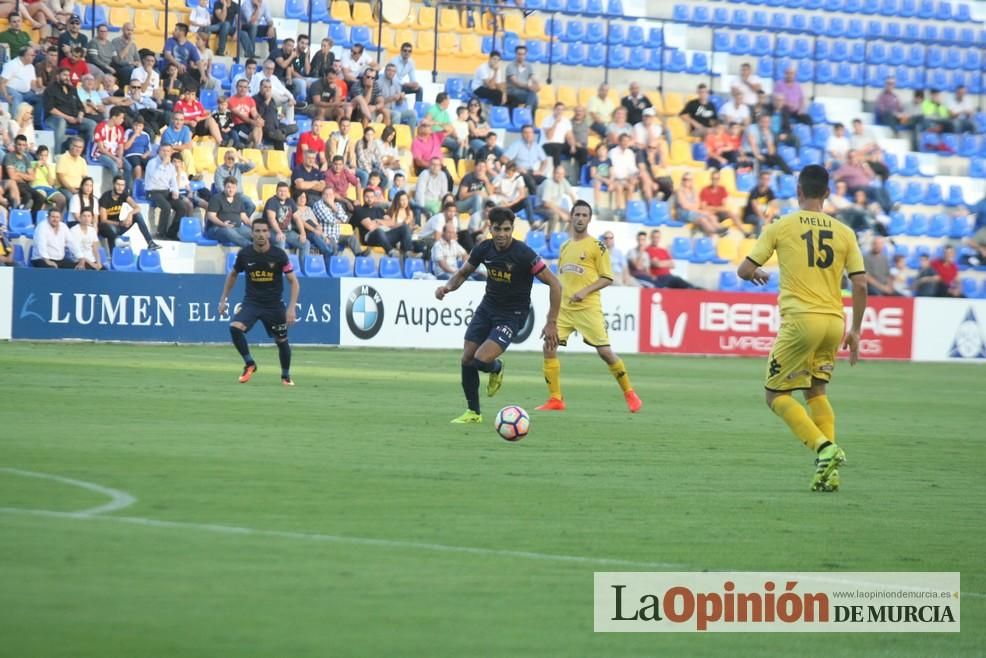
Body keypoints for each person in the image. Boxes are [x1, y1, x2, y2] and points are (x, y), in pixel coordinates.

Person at [736, 164, 867, 492]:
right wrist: (857, 330)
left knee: (775, 394)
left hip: (800, 321)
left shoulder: (781, 226)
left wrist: (755, 274)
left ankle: (824, 450)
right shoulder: (845, 232)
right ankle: (829, 473)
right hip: (834, 323)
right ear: (826, 193)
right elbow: (861, 285)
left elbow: (744, 269)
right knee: (817, 391)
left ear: (798, 191)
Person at [436, 207, 561, 424]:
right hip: (487, 308)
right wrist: (447, 287)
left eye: (506, 229)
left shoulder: (524, 254)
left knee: (481, 360)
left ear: (512, 229)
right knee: (467, 358)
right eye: (497, 229)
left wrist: (551, 322)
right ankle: (473, 413)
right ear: (490, 228)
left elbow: (555, 284)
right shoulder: (483, 249)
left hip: (512, 315)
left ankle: (497, 367)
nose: (502, 234)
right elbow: (464, 273)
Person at [536, 201, 642, 414]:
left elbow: (607, 278)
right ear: (572, 217)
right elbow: (560, 280)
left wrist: (585, 292)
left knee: (605, 352)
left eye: (585, 215)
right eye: (577, 214)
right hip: (565, 309)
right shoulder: (565, 246)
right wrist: (554, 312)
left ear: (589, 219)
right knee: (549, 346)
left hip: (588, 308)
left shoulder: (597, 246)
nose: (581, 218)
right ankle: (556, 398)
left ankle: (630, 393)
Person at [218, 221, 299, 386]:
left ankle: (285, 376)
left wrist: (291, 307)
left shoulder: (279, 255)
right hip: (252, 303)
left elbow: (294, 282)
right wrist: (223, 299)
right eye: (257, 231)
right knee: (234, 327)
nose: (261, 234)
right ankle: (250, 363)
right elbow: (233, 275)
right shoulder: (245, 254)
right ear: (252, 234)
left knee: (282, 341)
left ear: (269, 233)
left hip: (274, 305)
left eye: (264, 231)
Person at [99, 175, 159, 251]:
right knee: (110, 227)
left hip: (118, 225)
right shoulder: (105, 197)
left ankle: (150, 242)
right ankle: (114, 254)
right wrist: (120, 223)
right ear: (113, 184)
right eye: (118, 184)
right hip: (106, 228)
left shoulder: (123, 194)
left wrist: (130, 214)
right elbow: (103, 220)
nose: (120, 187)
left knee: (137, 215)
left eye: (122, 185)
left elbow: (137, 208)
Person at [205, 176, 253, 247]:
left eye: (233, 187)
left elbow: (244, 217)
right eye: (229, 187)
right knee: (228, 231)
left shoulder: (238, 199)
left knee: (252, 233)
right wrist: (223, 224)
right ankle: (251, 248)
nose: (231, 190)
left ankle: (264, 248)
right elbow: (211, 216)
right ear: (224, 187)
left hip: (236, 228)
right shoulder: (216, 198)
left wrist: (254, 227)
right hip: (217, 229)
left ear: (236, 188)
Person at [742, 170, 777, 237]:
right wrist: (764, 219)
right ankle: (757, 239)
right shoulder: (754, 191)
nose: (765, 181)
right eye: (763, 179)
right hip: (750, 216)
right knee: (760, 221)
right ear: (759, 179)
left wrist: (768, 218)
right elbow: (755, 208)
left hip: (764, 215)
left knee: (778, 218)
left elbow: (773, 206)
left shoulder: (770, 191)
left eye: (767, 179)